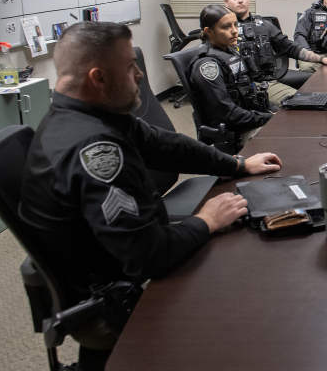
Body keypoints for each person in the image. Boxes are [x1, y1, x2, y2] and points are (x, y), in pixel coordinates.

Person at [19, 21, 282, 371]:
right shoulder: (95, 150)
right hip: (114, 301)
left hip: (122, 264)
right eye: (130, 66)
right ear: (98, 78)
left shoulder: (91, 113)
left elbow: (166, 145)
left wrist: (237, 164)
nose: (141, 75)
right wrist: (206, 221)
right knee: (255, 305)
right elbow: (149, 256)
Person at [223, 0, 327, 102]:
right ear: (226, 2)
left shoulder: (264, 26)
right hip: (234, 88)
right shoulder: (220, 30)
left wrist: (321, 59)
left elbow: (290, 47)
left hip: (264, 83)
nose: (240, 0)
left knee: (311, 101)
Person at [189, 5, 273, 152]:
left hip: (248, 117)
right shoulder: (208, 66)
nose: (235, 31)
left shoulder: (230, 52)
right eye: (226, 27)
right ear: (209, 31)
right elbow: (227, 113)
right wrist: (269, 118)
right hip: (237, 131)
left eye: (235, 24)